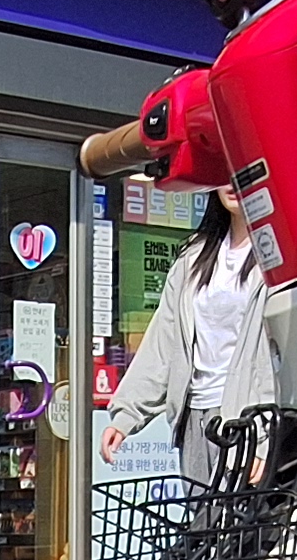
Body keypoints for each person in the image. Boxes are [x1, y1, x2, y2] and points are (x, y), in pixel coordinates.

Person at [100, 189, 275, 487]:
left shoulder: (278, 254)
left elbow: (284, 355)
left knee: (244, 515)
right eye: (223, 175)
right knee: (200, 516)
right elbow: (165, 340)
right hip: (195, 417)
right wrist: (127, 413)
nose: (232, 184)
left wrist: (264, 436)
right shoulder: (195, 255)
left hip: (246, 418)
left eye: (242, 172)